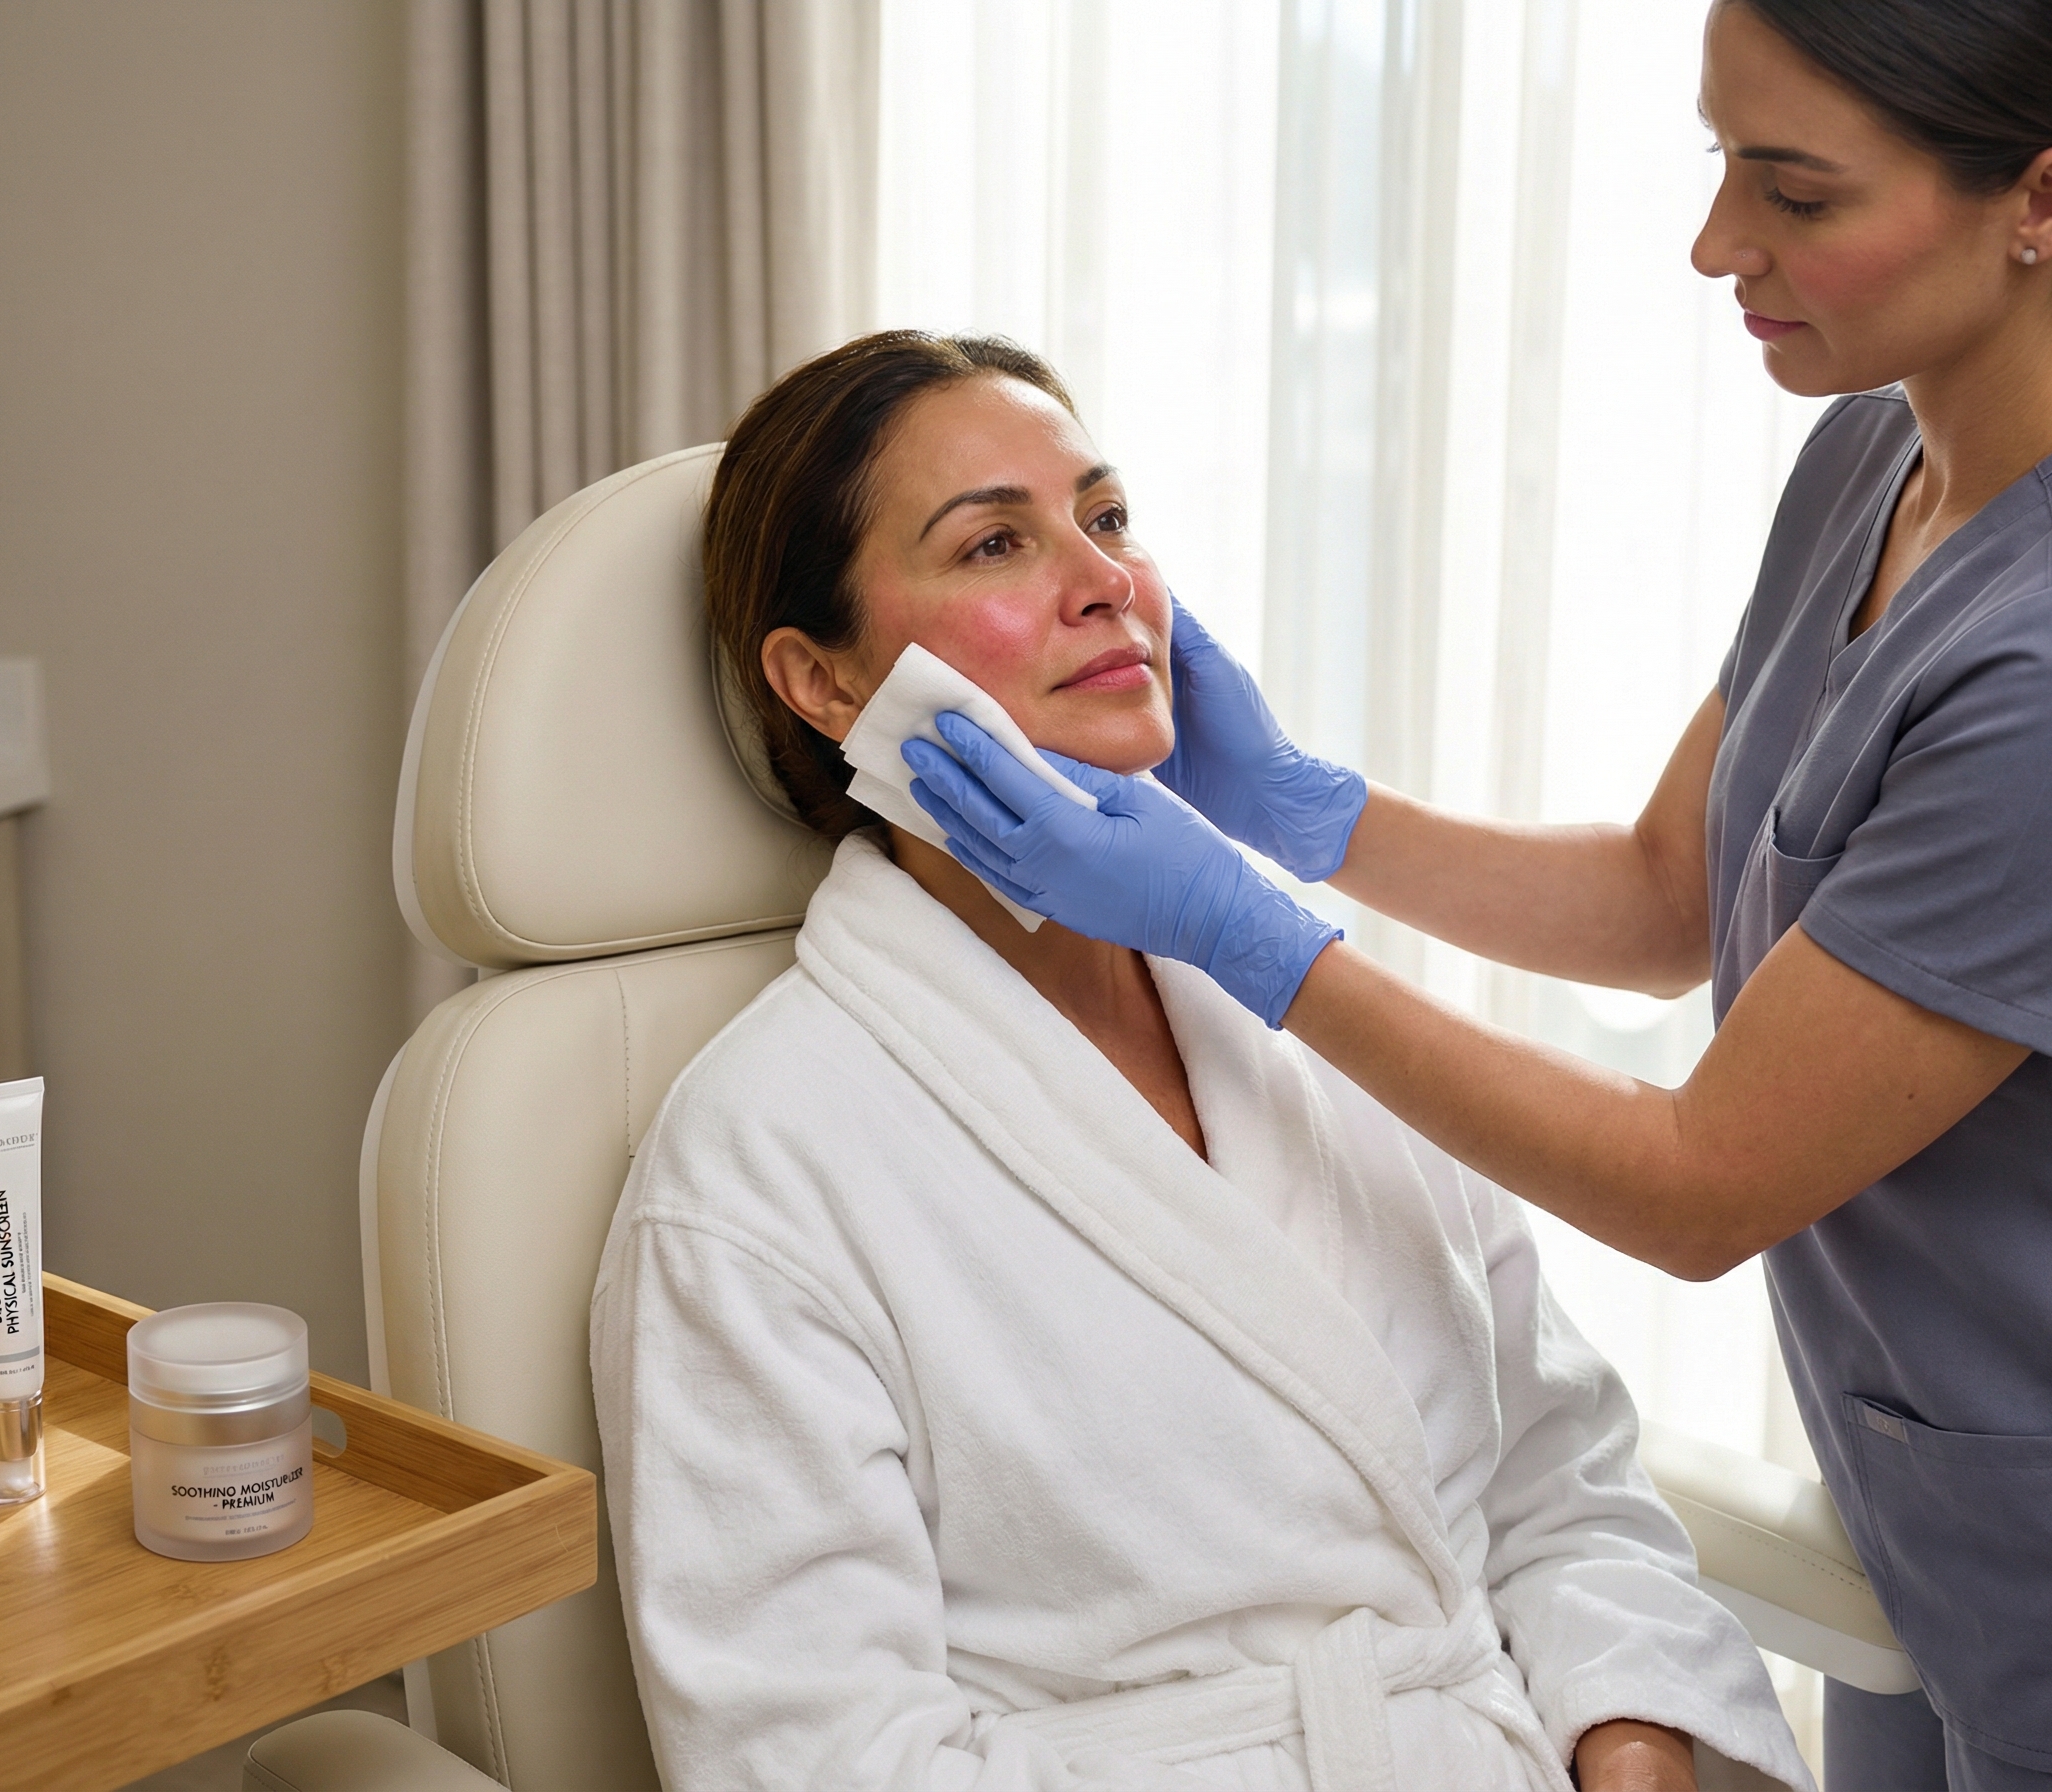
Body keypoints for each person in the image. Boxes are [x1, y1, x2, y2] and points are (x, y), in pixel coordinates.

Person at [901, 5, 2052, 1788]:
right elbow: (1665, 892)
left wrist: (1239, 924)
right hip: (1928, 1508)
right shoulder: (1875, 453)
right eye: (1719, 162)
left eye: (1796, 191)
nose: (1717, 246)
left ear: (2050, 201)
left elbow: (1702, 1190)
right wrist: (1311, 818)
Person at [589, 329, 1813, 1792]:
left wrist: (1631, 1747)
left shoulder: (1312, 1022)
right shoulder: (760, 1167)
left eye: (1107, 519)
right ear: (827, 684)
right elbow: (816, 1756)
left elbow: (1563, 1487)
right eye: (994, 543)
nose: (1106, 577)